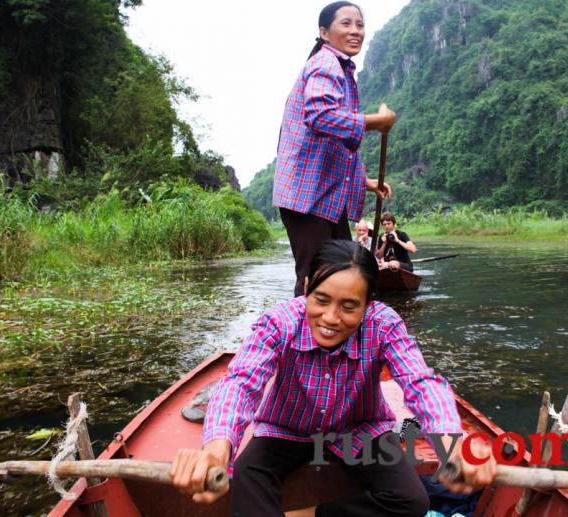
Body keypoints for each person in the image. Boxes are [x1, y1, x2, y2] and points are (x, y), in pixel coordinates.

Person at [170, 240, 496, 516]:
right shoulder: (279, 322)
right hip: (286, 429)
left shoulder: (384, 324)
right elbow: (241, 383)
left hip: (359, 430)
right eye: (321, 300)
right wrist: (215, 452)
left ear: (369, 304)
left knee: (412, 501)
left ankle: (319, 513)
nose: (330, 318)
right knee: (246, 475)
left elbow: (421, 383)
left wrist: (451, 444)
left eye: (349, 307)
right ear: (308, 286)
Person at [272, 1, 395, 297]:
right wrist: (374, 122)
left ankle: (334, 338)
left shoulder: (339, 68)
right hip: (308, 196)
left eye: (360, 25)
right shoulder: (326, 63)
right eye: (346, 24)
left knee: (339, 271)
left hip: (324, 196)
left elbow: (336, 146)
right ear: (324, 33)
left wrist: (365, 182)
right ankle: (300, 338)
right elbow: (319, 115)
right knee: (316, 276)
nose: (355, 31)